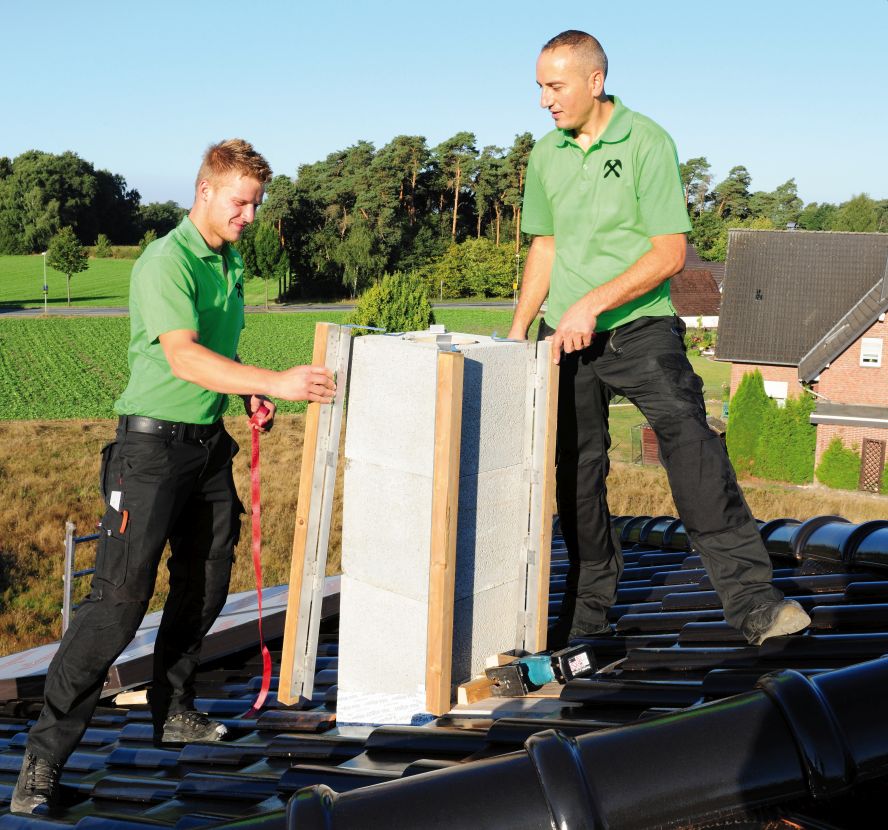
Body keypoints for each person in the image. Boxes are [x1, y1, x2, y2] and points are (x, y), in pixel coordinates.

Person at [12, 139, 336, 815]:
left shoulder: (228, 261)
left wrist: (247, 388)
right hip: (150, 452)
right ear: (205, 191)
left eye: (256, 204)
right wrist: (274, 379)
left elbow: (217, 350)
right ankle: (41, 763)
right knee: (118, 605)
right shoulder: (167, 260)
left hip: (206, 447)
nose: (250, 216)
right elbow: (185, 358)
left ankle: (174, 708)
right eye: (242, 203)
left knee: (207, 582)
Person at [507, 31, 810, 650]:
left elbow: (670, 253)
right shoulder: (546, 154)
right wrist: (519, 332)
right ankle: (586, 620)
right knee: (575, 476)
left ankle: (754, 604)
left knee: (693, 448)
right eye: (539, 86)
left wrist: (594, 303)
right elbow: (546, 245)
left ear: (595, 82)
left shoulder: (647, 142)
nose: (544, 100)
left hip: (639, 328)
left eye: (554, 86)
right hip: (564, 336)